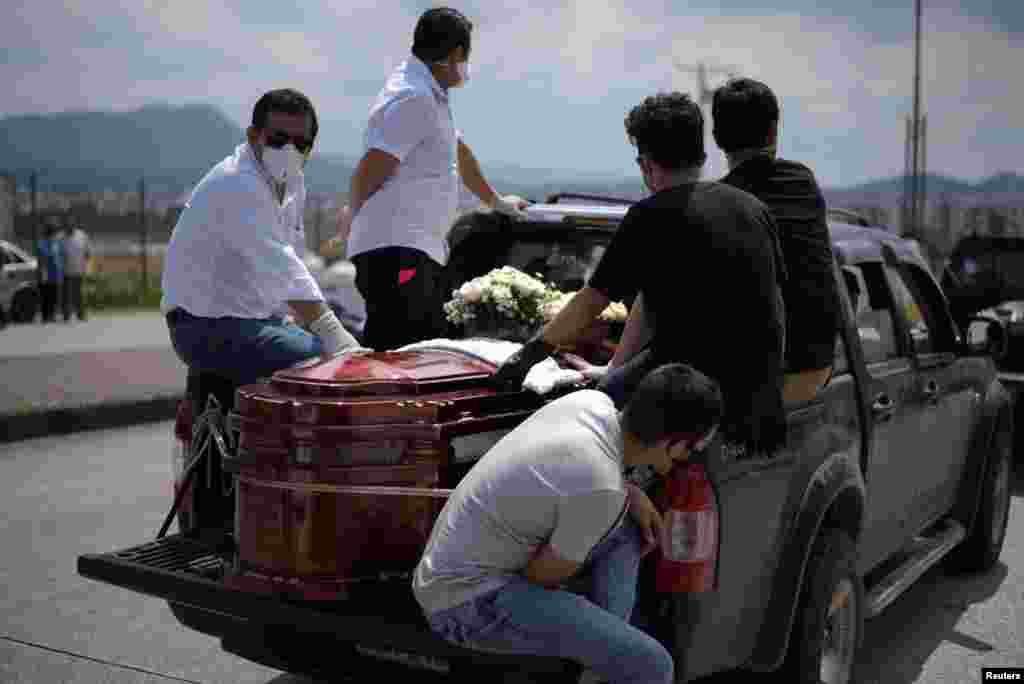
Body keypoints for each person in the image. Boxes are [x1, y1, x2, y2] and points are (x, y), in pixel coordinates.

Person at [492, 92, 788, 454]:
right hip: (761, 407)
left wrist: (529, 355)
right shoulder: (754, 209)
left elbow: (590, 303)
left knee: (581, 422)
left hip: (687, 398)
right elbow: (773, 307)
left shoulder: (649, 218)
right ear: (703, 155)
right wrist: (616, 367)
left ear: (646, 165)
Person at [415, 363, 722, 684]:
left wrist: (629, 492)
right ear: (670, 441)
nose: (688, 458)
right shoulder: (601, 489)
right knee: (655, 665)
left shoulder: (589, 404)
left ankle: (602, 663)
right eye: (692, 448)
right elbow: (541, 577)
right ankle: (608, 657)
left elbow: (578, 478)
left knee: (627, 527)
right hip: (466, 603)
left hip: (449, 567)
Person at [335, 7, 528, 351]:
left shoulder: (430, 96)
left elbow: (460, 154)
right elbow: (373, 165)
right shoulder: (414, 97)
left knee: (416, 349)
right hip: (395, 250)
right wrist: (351, 216)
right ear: (455, 55)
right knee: (399, 352)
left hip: (412, 250)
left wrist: (496, 202)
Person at [161, 89, 362, 391]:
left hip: (249, 317)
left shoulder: (291, 182)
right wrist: (332, 333)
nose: (290, 150)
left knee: (326, 340)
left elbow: (291, 257)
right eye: (278, 139)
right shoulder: (239, 182)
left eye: (301, 143)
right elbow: (280, 265)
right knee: (322, 359)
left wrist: (305, 319)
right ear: (254, 135)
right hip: (205, 324)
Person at [713, 78, 841, 404]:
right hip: (815, 371)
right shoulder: (803, 181)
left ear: (717, 139)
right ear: (773, 132)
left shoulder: (716, 203)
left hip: (757, 384)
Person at [36, 221, 65, 323]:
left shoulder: (57, 243)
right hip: (45, 273)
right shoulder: (42, 242)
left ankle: (52, 315)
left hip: (55, 274)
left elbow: (61, 256)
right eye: (54, 231)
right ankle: (45, 316)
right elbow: (44, 256)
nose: (56, 234)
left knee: (54, 295)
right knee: (45, 294)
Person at [61, 222, 91, 321]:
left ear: (74, 226)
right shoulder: (61, 237)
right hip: (66, 271)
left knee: (79, 294)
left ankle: (81, 314)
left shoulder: (82, 235)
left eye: (71, 225)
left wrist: (87, 267)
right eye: (68, 226)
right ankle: (66, 315)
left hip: (79, 270)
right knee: (66, 294)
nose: (69, 227)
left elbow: (87, 253)